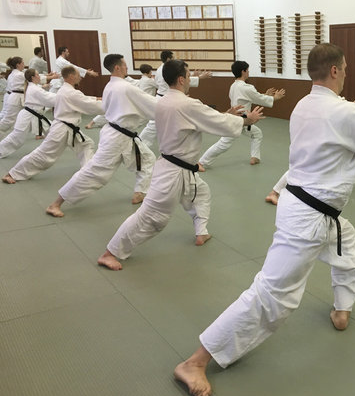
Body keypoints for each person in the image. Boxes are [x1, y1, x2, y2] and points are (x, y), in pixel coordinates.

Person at [173, 43, 355, 396]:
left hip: (312, 209)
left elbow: (352, 128)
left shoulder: (306, 105)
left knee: (346, 249)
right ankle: (196, 361)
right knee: (273, 294)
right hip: (308, 217)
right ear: (334, 70)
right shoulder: (340, 111)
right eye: (344, 68)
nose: (346, 74)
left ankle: (341, 309)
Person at [96, 59, 263, 271]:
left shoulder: (165, 101)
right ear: (181, 79)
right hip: (173, 172)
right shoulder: (186, 104)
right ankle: (110, 253)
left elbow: (203, 119)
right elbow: (213, 122)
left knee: (201, 194)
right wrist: (247, 120)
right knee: (152, 216)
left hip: (179, 167)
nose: (191, 78)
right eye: (189, 74)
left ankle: (201, 232)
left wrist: (225, 115)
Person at [45, 54, 158, 218]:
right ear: (117, 67)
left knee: (147, 160)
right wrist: (174, 105)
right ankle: (56, 204)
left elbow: (107, 107)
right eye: (125, 64)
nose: (126, 67)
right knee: (95, 172)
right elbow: (152, 104)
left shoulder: (111, 85)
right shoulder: (125, 88)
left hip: (122, 135)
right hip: (117, 138)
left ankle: (140, 192)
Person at [264, 97, 355, 205]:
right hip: (315, 140)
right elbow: (344, 107)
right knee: (300, 168)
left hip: (313, 139)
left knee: (304, 167)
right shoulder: (326, 100)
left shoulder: (322, 100)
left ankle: (276, 192)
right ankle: (274, 193)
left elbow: (345, 106)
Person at [2, 66, 104, 184]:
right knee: (44, 155)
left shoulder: (66, 90)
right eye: (77, 75)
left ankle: (88, 173)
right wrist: (110, 103)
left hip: (67, 127)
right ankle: (13, 173)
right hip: (62, 129)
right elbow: (88, 104)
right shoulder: (69, 92)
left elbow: (82, 100)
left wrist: (97, 98)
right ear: (71, 76)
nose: (80, 77)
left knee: (86, 144)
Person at [199, 60, 286, 167]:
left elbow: (251, 97)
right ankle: (202, 162)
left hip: (244, 120)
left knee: (257, 134)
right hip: (238, 120)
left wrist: (266, 95)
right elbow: (259, 98)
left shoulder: (234, 86)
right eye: (247, 70)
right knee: (224, 144)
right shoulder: (246, 87)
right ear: (243, 71)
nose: (248, 72)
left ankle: (255, 157)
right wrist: (275, 97)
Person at [139, 51, 211, 149]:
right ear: (168, 59)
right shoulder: (166, 69)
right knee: (153, 125)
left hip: (164, 98)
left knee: (166, 125)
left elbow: (179, 79)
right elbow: (178, 80)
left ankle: (142, 145)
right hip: (164, 99)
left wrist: (192, 76)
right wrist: (199, 77)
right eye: (172, 58)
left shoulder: (161, 68)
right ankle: (140, 145)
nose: (174, 60)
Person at [0, 68, 57, 158]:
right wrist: (63, 97)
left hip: (35, 116)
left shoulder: (33, 86)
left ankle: (54, 147)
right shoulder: (34, 88)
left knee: (55, 130)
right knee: (17, 137)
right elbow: (48, 97)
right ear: (33, 77)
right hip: (28, 116)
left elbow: (45, 94)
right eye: (37, 75)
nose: (39, 76)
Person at [85, 64, 156, 129]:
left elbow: (135, 81)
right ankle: (93, 123)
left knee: (111, 111)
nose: (126, 68)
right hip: (131, 102)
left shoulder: (141, 80)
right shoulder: (147, 80)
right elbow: (156, 84)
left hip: (130, 101)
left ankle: (92, 123)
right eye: (150, 72)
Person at [0, 57, 28, 138]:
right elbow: (30, 78)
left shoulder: (15, 73)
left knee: (7, 117)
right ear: (18, 65)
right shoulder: (18, 74)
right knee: (8, 119)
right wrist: (49, 77)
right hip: (12, 97)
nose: (24, 64)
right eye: (22, 63)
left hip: (11, 96)